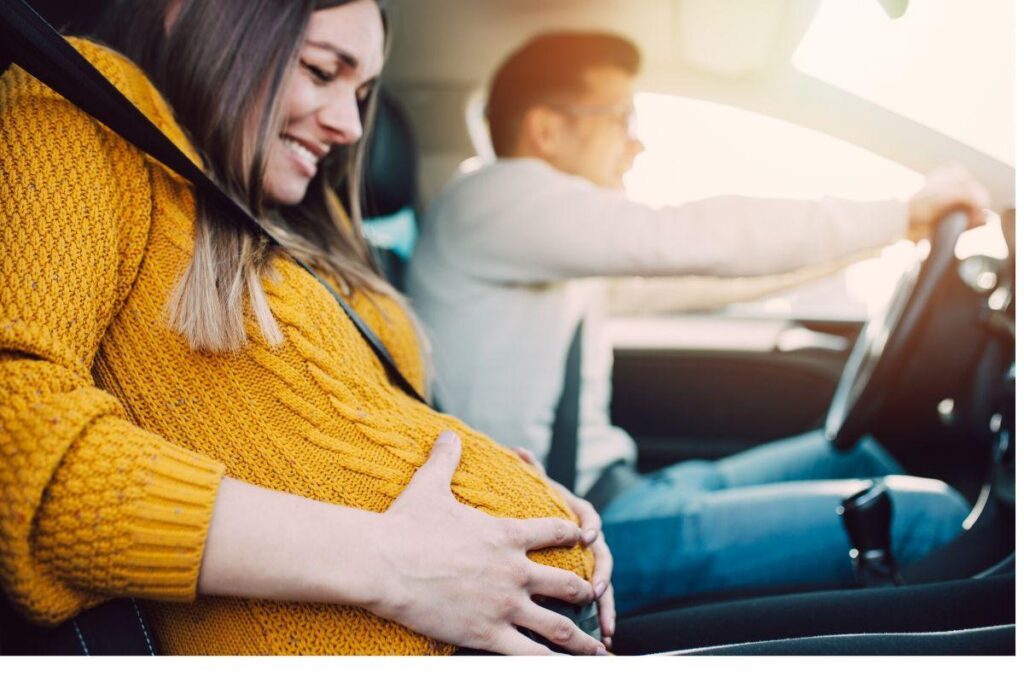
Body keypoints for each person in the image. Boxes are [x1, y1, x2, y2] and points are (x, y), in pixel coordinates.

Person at [0, 1, 616, 655]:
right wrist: (389, 560)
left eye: (362, 92)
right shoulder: (82, 104)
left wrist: (511, 480)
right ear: (204, 18)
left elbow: (347, 434)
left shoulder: (303, 227)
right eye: (323, 71)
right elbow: (18, 442)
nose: (351, 125)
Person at [406, 32, 990, 613]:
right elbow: (687, 238)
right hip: (571, 537)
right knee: (924, 516)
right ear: (548, 130)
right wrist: (899, 212)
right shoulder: (493, 201)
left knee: (853, 456)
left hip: (619, 495)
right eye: (620, 119)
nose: (637, 145)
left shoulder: (540, 239)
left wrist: (887, 238)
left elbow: (710, 273)